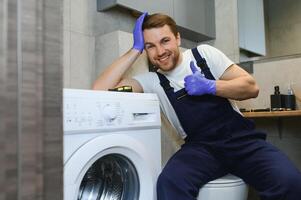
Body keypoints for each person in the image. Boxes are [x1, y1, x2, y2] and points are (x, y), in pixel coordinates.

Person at [93, 12, 301, 200]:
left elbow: (251, 87)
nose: (160, 51)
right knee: (169, 184)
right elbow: (99, 91)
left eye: (165, 41)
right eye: (150, 46)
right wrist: (134, 49)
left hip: (242, 142)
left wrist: (211, 86)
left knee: (289, 182)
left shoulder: (204, 55)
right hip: (201, 150)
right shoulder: (151, 81)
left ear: (178, 38)